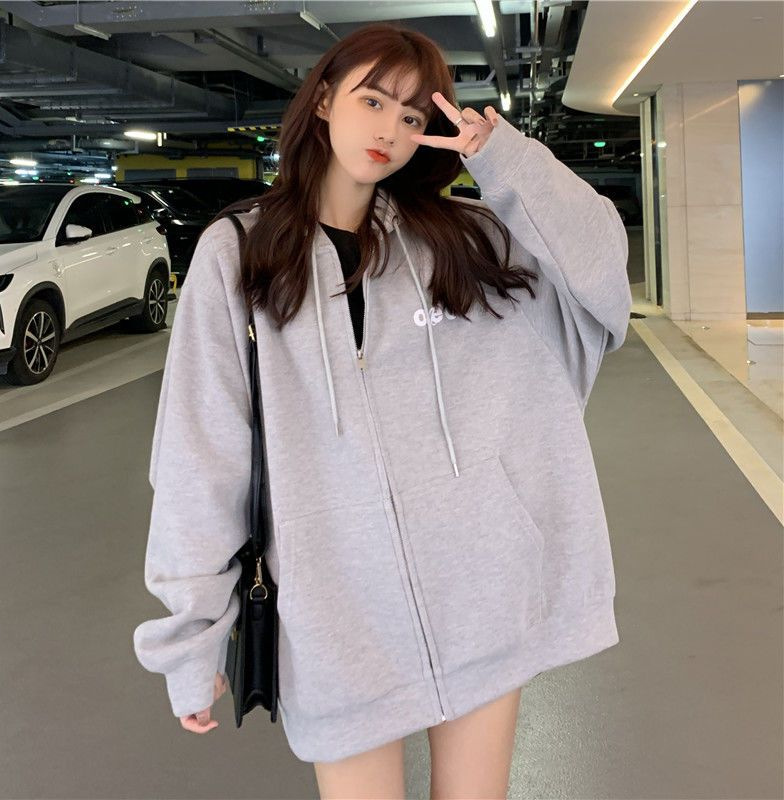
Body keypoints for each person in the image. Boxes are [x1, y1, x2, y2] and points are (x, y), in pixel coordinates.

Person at [133, 22, 632, 800]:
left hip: (481, 597)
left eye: (411, 116)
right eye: (372, 101)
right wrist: (191, 640)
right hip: (337, 621)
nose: (389, 131)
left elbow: (602, 282)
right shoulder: (239, 254)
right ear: (323, 99)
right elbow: (201, 456)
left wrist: (503, 158)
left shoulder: (463, 242)